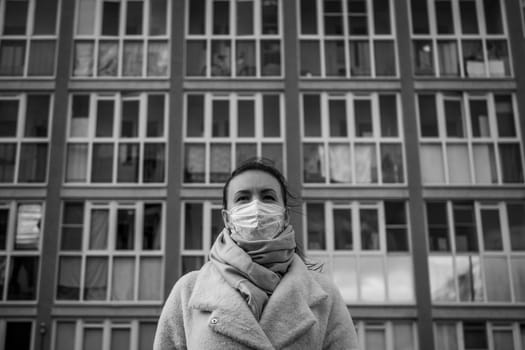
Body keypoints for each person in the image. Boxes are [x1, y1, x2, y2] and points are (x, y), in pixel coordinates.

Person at [154, 159, 359, 349]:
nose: (256, 206)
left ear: (285, 215)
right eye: (243, 198)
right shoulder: (188, 291)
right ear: (226, 218)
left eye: (267, 197)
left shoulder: (324, 296)